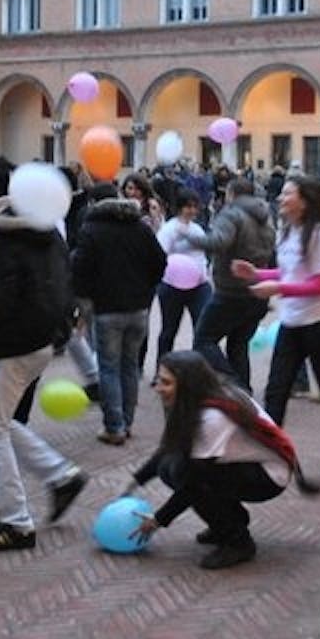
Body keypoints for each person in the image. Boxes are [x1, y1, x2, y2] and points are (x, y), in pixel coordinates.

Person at [0, 182, 89, 553]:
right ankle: (61, 476)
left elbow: (0, 299)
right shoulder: (51, 236)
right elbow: (52, 283)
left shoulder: (4, 240)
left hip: (15, 343)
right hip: (42, 340)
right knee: (1, 419)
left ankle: (15, 522)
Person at [128, 349, 320, 569]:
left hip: (268, 477)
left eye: (166, 383)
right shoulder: (204, 397)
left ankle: (238, 542)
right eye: (157, 380)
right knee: (170, 467)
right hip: (247, 465)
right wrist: (135, 482)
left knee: (186, 475)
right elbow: (170, 448)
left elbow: (193, 483)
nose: (158, 388)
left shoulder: (211, 419)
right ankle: (229, 521)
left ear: (187, 386)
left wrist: (158, 520)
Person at [233, 175, 320, 485]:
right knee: (276, 391)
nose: (280, 199)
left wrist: (279, 288)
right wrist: (257, 273)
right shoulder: (287, 231)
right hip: (291, 324)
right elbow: (290, 271)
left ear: (305, 200)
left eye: (288, 194)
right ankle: (270, 456)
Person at [71, 182, 167, 445]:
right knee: (129, 366)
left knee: (109, 368)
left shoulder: (91, 230)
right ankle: (127, 421)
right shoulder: (140, 228)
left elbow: (80, 269)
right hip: (138, 309)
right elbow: (160, 261)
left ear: (93, 204)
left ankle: (114, 426)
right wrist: (146, 291)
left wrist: (83, 304)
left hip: (107, 310)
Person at [182, 178, 275, 389]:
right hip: (256, 290)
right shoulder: (265, 216)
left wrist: (189, 237)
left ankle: (234, 384)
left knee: (203, 339)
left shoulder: (232, 214)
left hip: (231, 291)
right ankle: (243, 394)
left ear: (231, 193)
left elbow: (219, 241)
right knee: (238, 344)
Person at [154, 188, 213, 364]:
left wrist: (204, 275)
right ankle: (162, 368)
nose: (192, 211)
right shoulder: (169, 229)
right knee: (169, 330)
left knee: (202, 327)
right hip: (172, 284)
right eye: (188, 207)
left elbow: (203, 254)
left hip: (199, 284)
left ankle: (200, 369)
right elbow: (160, 254)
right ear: (180, 207)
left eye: (195, 207)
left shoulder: (197, 229)